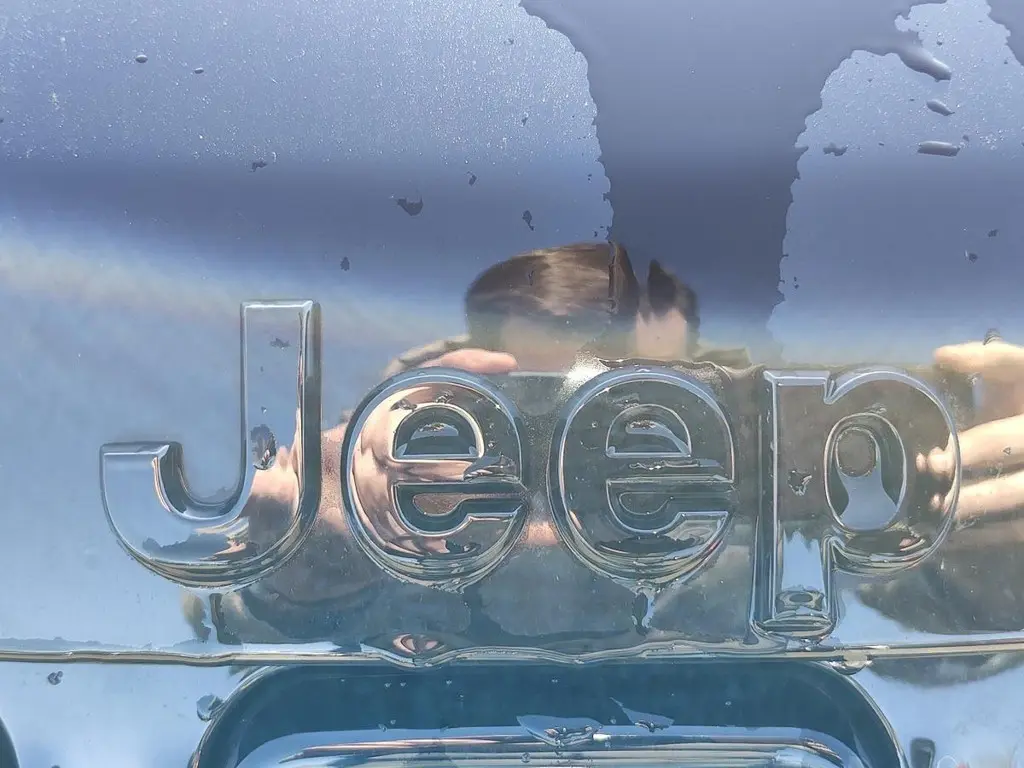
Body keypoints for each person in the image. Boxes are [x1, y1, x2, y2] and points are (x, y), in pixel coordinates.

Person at [184, 241, 718, 643]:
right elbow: (211, 619)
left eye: (646, 414)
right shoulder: (385, 464)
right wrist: (303, 575)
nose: (568, 451)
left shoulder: (734, 517)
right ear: (469, 391)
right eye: (530, 400)